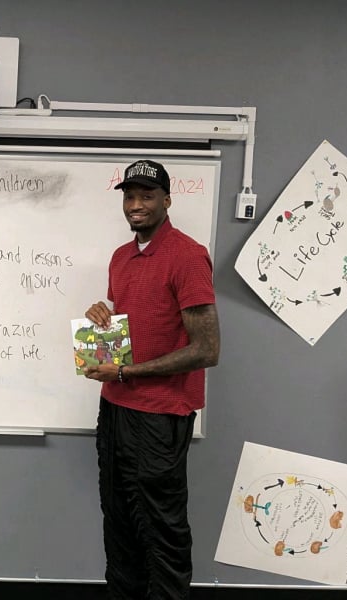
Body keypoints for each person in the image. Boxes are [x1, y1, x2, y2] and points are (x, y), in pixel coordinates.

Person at [83, 159, 220, 599]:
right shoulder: (121, 257)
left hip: (159, 416)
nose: (136, 205)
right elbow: (134, 325)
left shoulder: (188, 256)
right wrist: (101, 317)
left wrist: (126, 372)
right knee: (119, 522)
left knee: (161, 530)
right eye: (129, 196)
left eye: (147, 195)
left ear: (167, 201)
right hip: (115, 409)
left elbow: (207, 349)